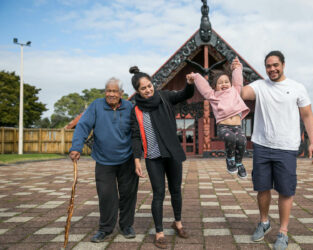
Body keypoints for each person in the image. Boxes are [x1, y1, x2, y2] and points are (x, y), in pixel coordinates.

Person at [241, 51, 313, 250]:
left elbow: (308, 116)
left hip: (287, 147)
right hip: (262, 146)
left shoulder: (297, 88)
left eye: (275, 65)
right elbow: (242, 93)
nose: (272, 69)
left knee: (285, 190)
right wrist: (236, 71)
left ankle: (283, 232)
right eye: (268, 66)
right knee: (262, 188)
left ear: (283, 64)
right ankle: (264, 222)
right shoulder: (259, 85)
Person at [129, 66, 194, 249]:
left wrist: (189, 84)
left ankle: (178, 223)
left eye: (149, 86)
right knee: (158, 194)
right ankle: (159, 232)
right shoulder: (136, 110)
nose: (148, 90)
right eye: (144, 88)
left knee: (176, 191)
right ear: (138, 91)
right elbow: (135, 136)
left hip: (171, 153)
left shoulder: (164, 97)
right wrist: (136, 160)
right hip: (153, 157)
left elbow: (184, 94)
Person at [69, 77, 139, 243]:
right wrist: (76, 147)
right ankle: (105, 228)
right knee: (106, 195)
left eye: (115, 91)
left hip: (127, 159)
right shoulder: (96, 106)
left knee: (128, 194)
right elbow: (83, 126)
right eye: (108, 90)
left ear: (121, 93)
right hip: (104, 160)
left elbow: (137, 132)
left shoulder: (130, 107)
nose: (111, 94)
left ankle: (126, 225)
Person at [186, 57, 250, 179]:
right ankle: (230, 159)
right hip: (223, 127)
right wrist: (196, 76)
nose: (224, 84)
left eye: (226, 82)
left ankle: (239, 163)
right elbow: (204, 88)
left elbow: (238, 81)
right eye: (220, 83)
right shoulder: (213, 95)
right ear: (215, 87)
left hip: (237, 126)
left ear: (230, 84)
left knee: (242, 141)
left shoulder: (235, 91)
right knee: (230, 138)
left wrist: (237, 68)